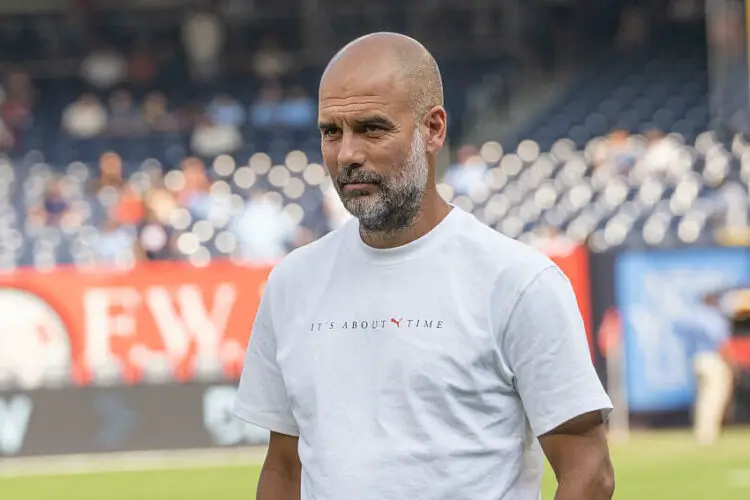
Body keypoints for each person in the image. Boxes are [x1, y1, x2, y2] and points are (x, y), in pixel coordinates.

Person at [234, 32, 615, 500]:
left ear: (433, 129)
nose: (347, 154)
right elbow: (284, 469)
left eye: (372, 128)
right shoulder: (291, 282)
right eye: (331, 132)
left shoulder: (517, 281)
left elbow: (588, 470)